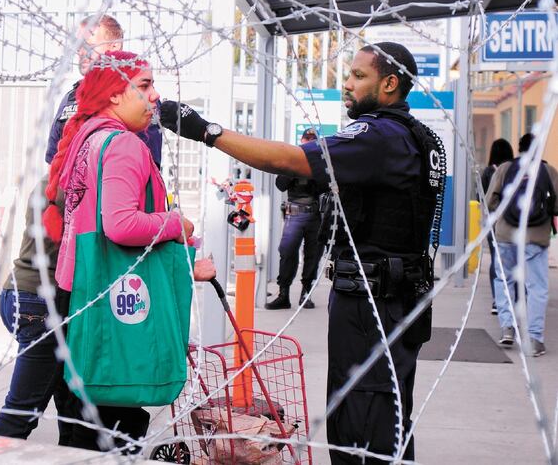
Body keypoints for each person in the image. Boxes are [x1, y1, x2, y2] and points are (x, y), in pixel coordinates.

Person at [161, 41, 444, 464]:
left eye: (358, 76)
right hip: (398, 295)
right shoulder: (422, 137)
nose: (347, 84)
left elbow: (292, 160)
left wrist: (208, 132)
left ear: (389, 84)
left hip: (373, 302)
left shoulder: (379, 136)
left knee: (360, 424)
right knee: (388, 415)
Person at [43, 50, 215, 452]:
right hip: (114, 298)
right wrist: (178, 224)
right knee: (113, 424)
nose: (155, 96)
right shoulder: (123, 145)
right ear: (114, 96)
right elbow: (119, 225)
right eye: (144, 85)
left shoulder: (87, 139)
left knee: (83, 421)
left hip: (82, 291)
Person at [0, 178, 72, 443]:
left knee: (70, 404)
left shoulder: (49, 182)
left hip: (18, 293)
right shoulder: (77, 186)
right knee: (21, 412)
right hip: (41, 303)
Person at [45, 13, 162, 167]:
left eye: (88, 45)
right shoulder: (72, 98)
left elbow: (148, 166)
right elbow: (54, 163)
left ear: (114, 45)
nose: (81, 52)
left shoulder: (139, 97)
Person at [486, 133, 558, 356]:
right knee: (537, 287)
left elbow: (490, 201)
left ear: (519, 149)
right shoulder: (549, 171)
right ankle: (535, 339)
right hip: (536, 237)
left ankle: (507, 328)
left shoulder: (506, 169)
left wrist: (502, 217)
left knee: (504, 280)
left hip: (507, 234)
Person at [266, 128, 323, 310]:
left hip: (314, 215)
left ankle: (306, 294)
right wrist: (295, 167)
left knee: (313, 255)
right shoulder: (292, 161)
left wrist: (313, 167)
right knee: (288, 253)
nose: (308, 144)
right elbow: (280, 185)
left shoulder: (321, 162)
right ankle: (284, 294)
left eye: (311, 141)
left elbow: (326, 186)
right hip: (295, 214)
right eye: (306, 141)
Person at [481, 138, 514, 315]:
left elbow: (484, 198)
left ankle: (497, 300)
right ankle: (513, 297)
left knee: (496, 259)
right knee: (513, 260)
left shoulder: (488, 172)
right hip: (512, 221)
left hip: (493, 221)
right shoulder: (514, 170)